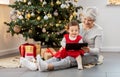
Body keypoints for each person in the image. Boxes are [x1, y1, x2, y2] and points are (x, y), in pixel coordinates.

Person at [20, 20, 85, 71]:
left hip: (74, 53)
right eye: (72, 30)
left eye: (76, 30)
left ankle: (80, 66)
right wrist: (65, 46)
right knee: (56, 58)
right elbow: (62, 42)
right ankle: (36, 65)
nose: (74, 32)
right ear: (68, 30)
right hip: (66, 51)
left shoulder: (79, 38)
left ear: (78, 30)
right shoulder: (66, 36)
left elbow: (80, 45)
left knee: (70, 59)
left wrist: (79, 46)